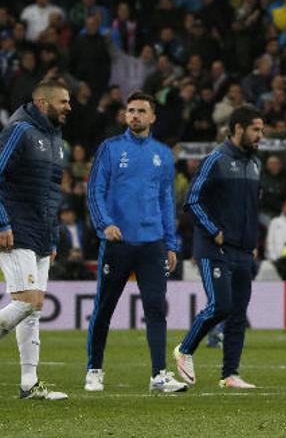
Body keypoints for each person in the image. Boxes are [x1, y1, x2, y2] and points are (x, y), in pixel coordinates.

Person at [85, 91, 187, 393]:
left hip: (153, 243)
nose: (135, 116)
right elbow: (95, 191)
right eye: (130, 110)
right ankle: (94, 369)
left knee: (156, 309)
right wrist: (105, 224)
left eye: (141, 111)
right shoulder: (111, 148)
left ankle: (159, 375)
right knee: (104, 308)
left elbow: (167, 200)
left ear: (152, 117)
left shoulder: (163, 154)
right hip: (118, 242)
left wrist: (171, 243)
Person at [173, 107, 264, 389]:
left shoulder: (255, 163)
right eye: (256, 130)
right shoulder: (216, 159)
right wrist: (215, 231)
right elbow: (192, 200)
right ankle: (184, 349)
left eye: (261, 130)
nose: (260, 135)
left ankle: (230, 374)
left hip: (243, 249)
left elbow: (251, 208)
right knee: (221, 305)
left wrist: (253, 242)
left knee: (238, 313)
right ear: (238, 128)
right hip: (214, 247)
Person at [0, 80, 71, 400]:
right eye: (63, 102)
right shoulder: (19, 130)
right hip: (15, 227)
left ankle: (30, 383)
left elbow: (52, 193)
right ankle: (29, 382)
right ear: (43, 103)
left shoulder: (56, 140)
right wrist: (2, 221)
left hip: (42, 232)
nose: (69, 107)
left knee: (34, 310)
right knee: (28, 301)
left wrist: (54, 237)